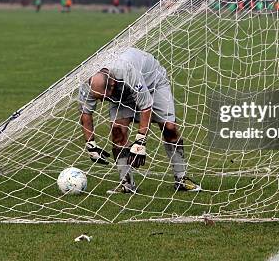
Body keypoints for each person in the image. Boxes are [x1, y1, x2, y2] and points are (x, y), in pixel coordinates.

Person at [78, 47, 201, 194]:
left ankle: (181, 179)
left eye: (104, 97)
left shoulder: (126, 70)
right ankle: (126, 184)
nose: (104, 101)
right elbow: (86, 113)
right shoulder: (88, 84)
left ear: (112, 83)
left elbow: (146, 106)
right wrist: (90, 145)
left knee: (169, 128)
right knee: (117, 132)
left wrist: (140, 142)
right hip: (122, 94)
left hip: (153, 83)